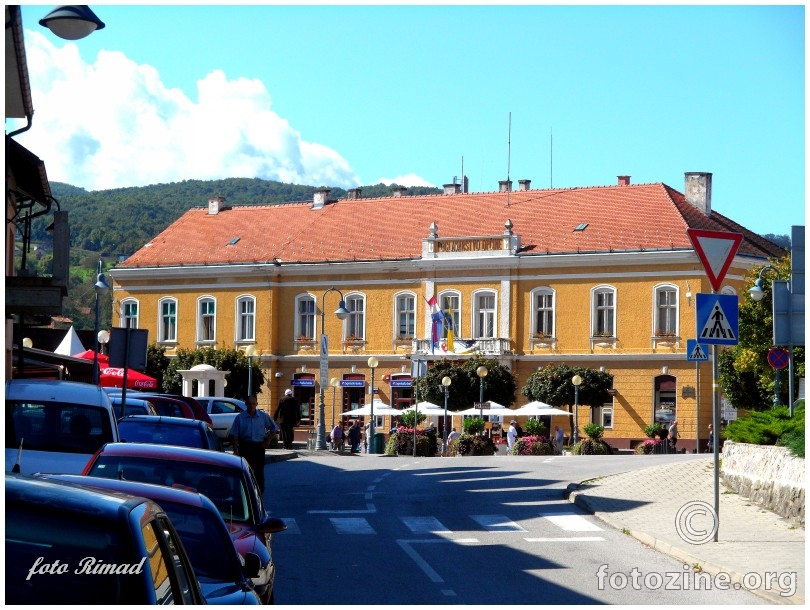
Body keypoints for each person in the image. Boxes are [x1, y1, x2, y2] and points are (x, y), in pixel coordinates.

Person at [229, 394, 277, 494]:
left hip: (258, 447)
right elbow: (234, 434)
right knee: (246, 471)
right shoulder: (240, 418)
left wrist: (268, 440)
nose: (251, 406)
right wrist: (235, 450)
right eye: (249, 404)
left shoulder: (262, 416)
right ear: (246, 404)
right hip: (245, 447)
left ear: (257, 404)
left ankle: (259, 494)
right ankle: (247, 493)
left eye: (253, 404)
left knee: (259, 472)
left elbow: (274, 428)